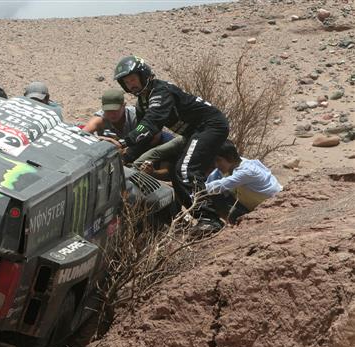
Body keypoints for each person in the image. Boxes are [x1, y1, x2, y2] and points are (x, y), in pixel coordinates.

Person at [114, 55, 229, 234]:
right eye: (127, 83)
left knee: (186, 169)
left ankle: (210, 219)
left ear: (144, 75)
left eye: (133, 79)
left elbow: (153, 121)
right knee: (177, 172)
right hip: (194, 132)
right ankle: (202, 217)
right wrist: (125, 157)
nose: (131, 85)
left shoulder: (160, 91)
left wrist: (123, 142)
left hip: (211, 126)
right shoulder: (142, 102)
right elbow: (146, 135)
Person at [205, 140, 282, 224]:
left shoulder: (247, 171)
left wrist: (195, 189)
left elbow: (219, 186)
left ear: (230, 157)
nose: (216, 165)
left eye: (219, 160)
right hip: (255, 204)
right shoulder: (237, 163)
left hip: (273, 207)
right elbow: (213, 180)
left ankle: (226, 224)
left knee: (215, 195)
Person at [84, 89, 176, 158]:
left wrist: (129, 151)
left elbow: (155, 136)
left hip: (143, 144)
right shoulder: (100, 119)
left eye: (115, 110)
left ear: (124, 106)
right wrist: (103, 139)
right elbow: (82, 134)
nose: (112, 114)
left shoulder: (136, 115)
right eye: (108, 110)